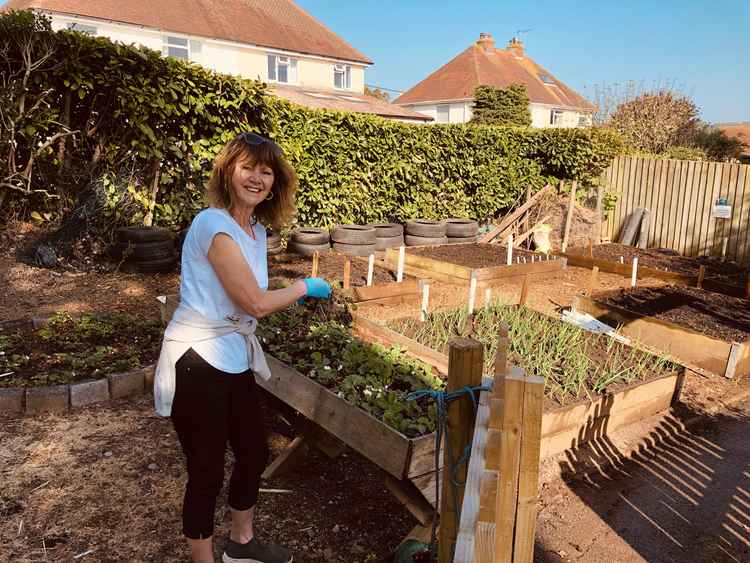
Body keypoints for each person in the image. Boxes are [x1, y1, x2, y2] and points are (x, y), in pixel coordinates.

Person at [154, 132, 331, 563]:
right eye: (248, 167)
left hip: (232, 354)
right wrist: (304, 287)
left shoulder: (254, 231)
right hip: (197, 357)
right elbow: (253, 301)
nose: (257, 177)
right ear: (228, 172)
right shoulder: (212, 224)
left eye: (266, 171)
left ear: (276, 182)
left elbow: (249, 304)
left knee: (253, 451)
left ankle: (241, 544)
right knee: (207, 468)